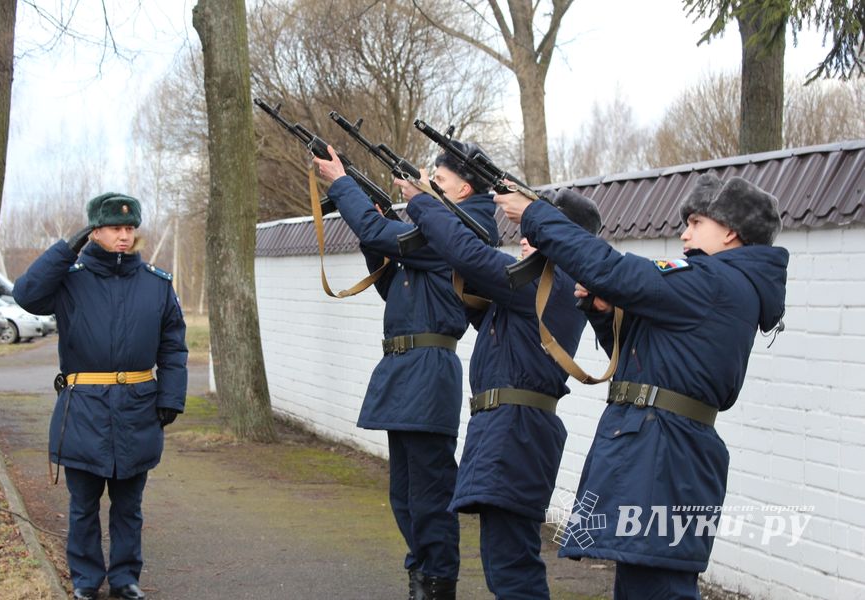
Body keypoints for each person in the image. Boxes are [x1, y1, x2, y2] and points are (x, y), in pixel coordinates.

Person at [494, 174, 788, 599]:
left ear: (730, 231)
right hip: (660, 449)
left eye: (696, 222)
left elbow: (613, 269)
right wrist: (603, 309)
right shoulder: (719, 284)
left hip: (664, 454)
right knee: (643, 584)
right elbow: (644, 354)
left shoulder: (715, 281)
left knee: (658, 587)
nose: (684, 233)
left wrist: (535, 215)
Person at [313, 143, 499, 600]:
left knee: (430, 492)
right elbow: (396, 288)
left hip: (426, 371)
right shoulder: (440, 229)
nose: (431, 180)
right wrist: (370, 239)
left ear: (465, 186)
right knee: (404, 492)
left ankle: (437, 583)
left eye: (440, 176)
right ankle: (422, 573)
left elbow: (380, 230)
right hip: (405, 368)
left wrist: (342, 184)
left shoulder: (458, 230)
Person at [401, 182, 600, 600]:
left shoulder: (553, 279)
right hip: (506, 430)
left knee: (512, 566)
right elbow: (473, 282)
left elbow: (470, 256)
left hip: (516, 433)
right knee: (504, 560)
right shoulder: (538, 283)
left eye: (540, 227)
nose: (526, 237)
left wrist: (421, 203)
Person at [13, 193, 188, 600]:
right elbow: (26, 294)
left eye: (129, 228)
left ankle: (125, 579)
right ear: (95, 232)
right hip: (83, 408)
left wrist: (171, 396)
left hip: (138, 408)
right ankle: (86, 581)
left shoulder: (156, 285)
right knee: (83, 506)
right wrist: (64, 248)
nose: (124, 236)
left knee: (129, 506)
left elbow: (173, 345)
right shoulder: (69, 280)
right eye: (114, 228)